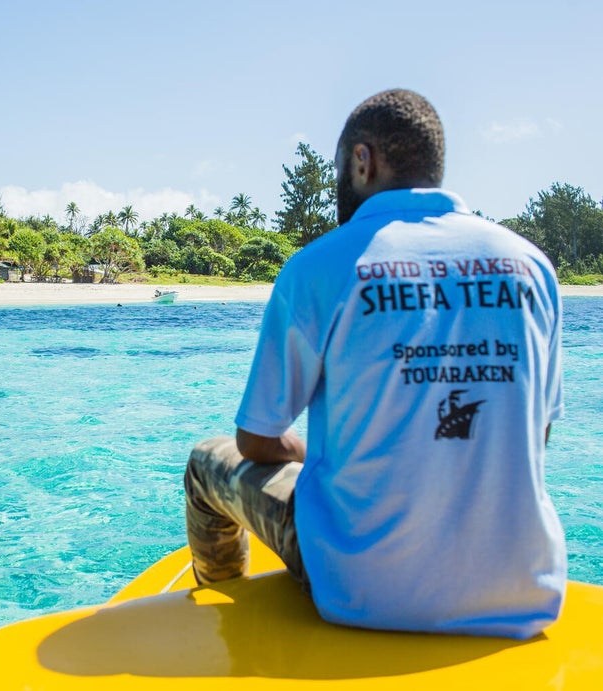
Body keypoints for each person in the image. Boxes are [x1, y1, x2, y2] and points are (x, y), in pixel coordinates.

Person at [184, 89, 566, 639]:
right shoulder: (532, 267)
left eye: (341, 167)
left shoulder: (319, 267)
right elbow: (535, 434)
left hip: (359, 588)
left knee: (205, 461)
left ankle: (224, 616)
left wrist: (322, 451)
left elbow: (256, 443)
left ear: (362, 160)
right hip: (521, 590)